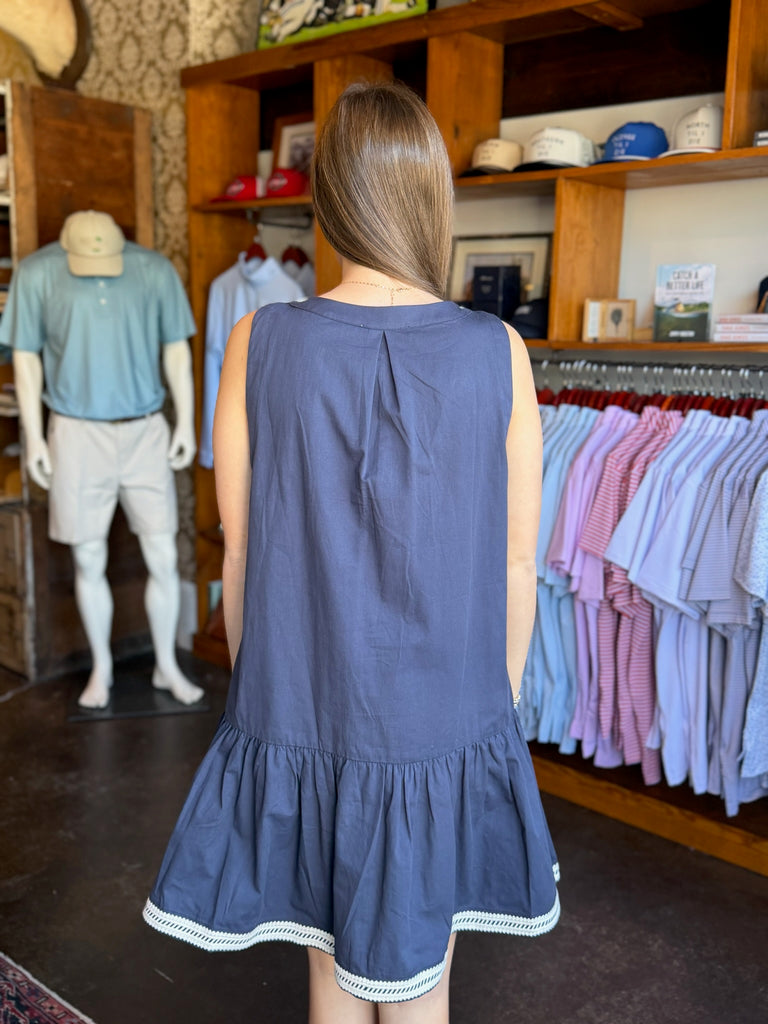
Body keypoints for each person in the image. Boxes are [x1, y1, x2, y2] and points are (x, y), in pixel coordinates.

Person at [143, 82, 559, 1022]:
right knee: (424, 985)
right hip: (447, 712)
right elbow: (514, 565)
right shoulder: (498, 348)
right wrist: (498, 696)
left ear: (328, 198)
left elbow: (239, 550)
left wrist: (265, 696)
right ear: (429, 195)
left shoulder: (257, 338)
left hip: (301, 701)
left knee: (327, 968)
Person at [3, 210, 204, 710]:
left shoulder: (154, 270)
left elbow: (177, 349)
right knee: (87, 557)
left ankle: (167, 665)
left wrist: (185, 423)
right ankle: (102, 669)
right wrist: (35, 439)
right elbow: (25, 359)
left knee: (162, 553)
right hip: (74, 432)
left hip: (144, 431)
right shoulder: (37, 272)